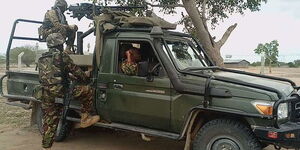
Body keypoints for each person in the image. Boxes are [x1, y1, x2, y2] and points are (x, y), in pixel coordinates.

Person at [36, 33, 100, 150]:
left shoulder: (42, 58)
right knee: (88, 91)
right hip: (62, 91)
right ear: (59, 44)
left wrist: (69, 77)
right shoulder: (62, 56)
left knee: (49, 123)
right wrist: (85, 76)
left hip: (46, 93)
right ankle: (85, 118)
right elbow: (78, 73)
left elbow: (52, 75)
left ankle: (46, 147)